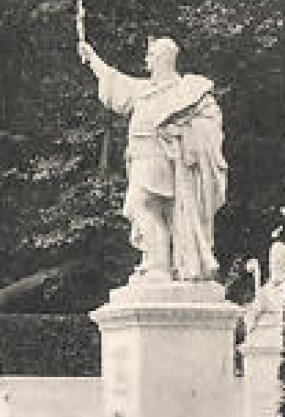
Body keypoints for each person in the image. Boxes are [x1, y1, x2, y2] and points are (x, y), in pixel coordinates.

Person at [77, 33, 227, 281]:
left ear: (164, 59)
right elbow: (116, 82)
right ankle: (156, 262)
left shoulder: (187, 91)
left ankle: (159, 266)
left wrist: (181, 134)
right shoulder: (147, 90)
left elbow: (209, 128)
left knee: (144, 204)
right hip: (140, 156)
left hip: (160, 157)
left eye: (152, 55)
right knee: (149, 208)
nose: (147, 60)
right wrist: (92, 58)